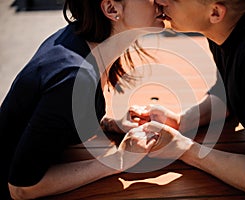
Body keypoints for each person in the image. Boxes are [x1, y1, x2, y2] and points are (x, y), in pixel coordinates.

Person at [121, 0, 245, 199]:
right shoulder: (231, 23)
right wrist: (181, 120)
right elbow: (228, 93)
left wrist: (185, 149)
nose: (160, 1)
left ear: (215, 12)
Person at [0, 0, 167, 199]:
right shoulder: (74, 77)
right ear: (112, 9)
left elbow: (53, 120)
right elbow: (22, 188)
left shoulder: (78, 40)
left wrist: (110, 124)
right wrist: (120, 160)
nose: (161, 1)